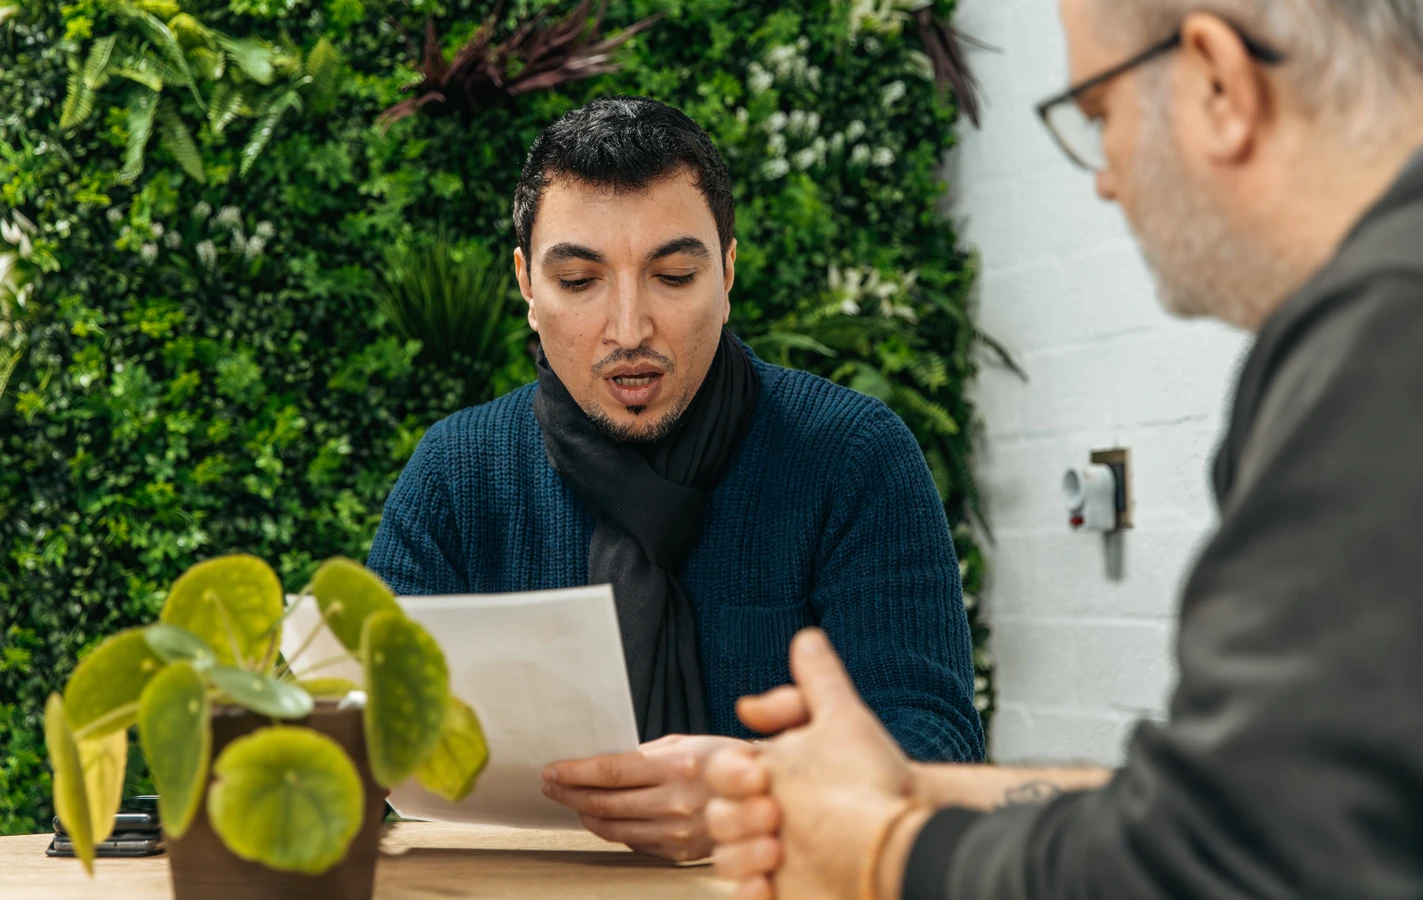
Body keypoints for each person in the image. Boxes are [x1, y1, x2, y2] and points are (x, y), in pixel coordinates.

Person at [703, 1, 1423, 897]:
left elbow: (1227, 860)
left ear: (1216, 81)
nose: (1104, 180)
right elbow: (1279, 795)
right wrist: (920, 792)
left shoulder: (1386, 340)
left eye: (1098, 118)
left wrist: (882, 852)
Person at [366, 96, 985, 861]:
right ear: (528, 286)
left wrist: (760, 793)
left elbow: (939, 746)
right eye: (580, 281)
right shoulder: (456, 473)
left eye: (673, 273)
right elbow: (366, 730)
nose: (628, 330)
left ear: (726, 270)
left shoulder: (851, 455)